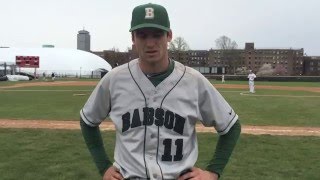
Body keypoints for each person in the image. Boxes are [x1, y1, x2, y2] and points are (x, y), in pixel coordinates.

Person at [80, 3, 241, 180]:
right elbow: (88, 120)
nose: (150, 43)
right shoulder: (114, 79)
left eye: (157, 35)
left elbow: (231, 126)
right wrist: (104, 167)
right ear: (133, 38)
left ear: (169, 35)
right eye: (142, 35)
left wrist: (212, 173)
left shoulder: (193, 81)